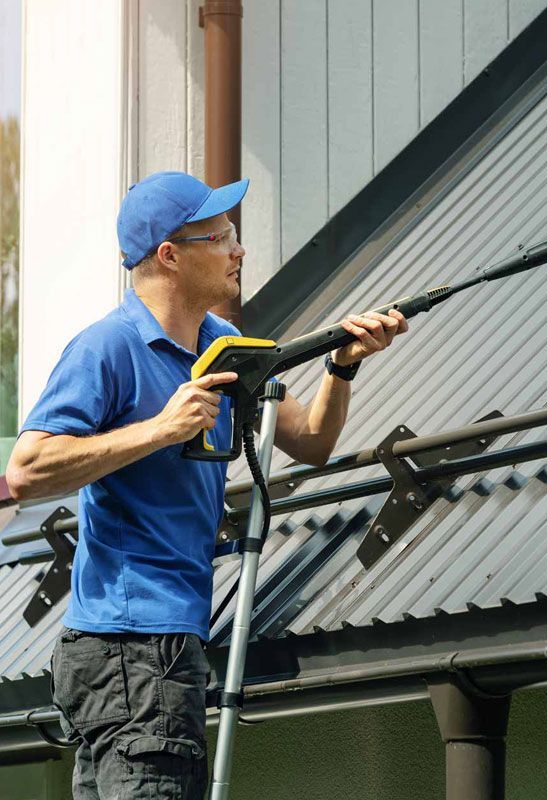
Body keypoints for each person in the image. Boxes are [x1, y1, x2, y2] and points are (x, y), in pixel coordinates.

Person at [5, 171, 408, 799]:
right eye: (221, 237)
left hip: (157, 646)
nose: (238, 249)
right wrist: (161, 429)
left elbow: (311, 441)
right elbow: (27, 470)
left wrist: (341, 367)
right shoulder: (107, 348)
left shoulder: (225, 347)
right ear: (170, 255)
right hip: (130, 646)